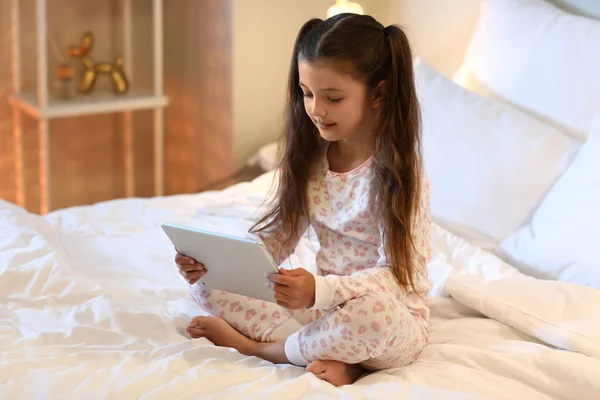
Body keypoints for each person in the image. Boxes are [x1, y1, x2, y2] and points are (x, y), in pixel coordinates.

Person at [175, 13, 432, 387]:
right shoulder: (311, 162)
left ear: (379, 94)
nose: (316, 109)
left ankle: (264, 350)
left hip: (387, 319)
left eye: (333, 97)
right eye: (307, 93)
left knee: (375, 316)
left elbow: (397, 276)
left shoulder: (400, 173)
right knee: (207, 284)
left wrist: (321, 290)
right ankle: (326, 354)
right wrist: (219, 263)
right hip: (321, 309)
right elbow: (277, 239)